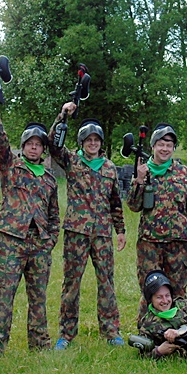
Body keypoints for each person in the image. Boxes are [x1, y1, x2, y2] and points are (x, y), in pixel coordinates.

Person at [0, 86, 60, 358]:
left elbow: (54, 216)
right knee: (4, 297)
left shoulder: (50, 179)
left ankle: (40, 346)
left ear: (43, 149)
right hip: (11, 244)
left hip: (39, 245)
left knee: (38, 299)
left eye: (39, 144)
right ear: (23, 146)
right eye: (30, 143)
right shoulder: (10, 166)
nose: (34, 147)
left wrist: (49, 241)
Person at [48, 104, 126, 350]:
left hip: (102, 233)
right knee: (72, 283)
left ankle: (111, 331)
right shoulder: (72, 161)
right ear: (81, 142)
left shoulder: (109, 168)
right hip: (76, 233)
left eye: (96, 140)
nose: (92, 143)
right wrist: (63, 115)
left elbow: (115, 201)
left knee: (107, 282)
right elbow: (52, 144)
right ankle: (66, 334)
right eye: (88, 140)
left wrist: (120, 230)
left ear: (101, 142)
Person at [126, 123, 187, 324]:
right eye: (161, 144)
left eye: (169, 145)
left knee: (177, 288)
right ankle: (147, 328)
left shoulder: (183, 172)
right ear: (153, 146)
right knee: (150, 286)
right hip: (149, 242)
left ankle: (179, 327)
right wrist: (139, 181)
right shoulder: (142, 170)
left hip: (177, 242)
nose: (164, 149)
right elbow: (133, 206)